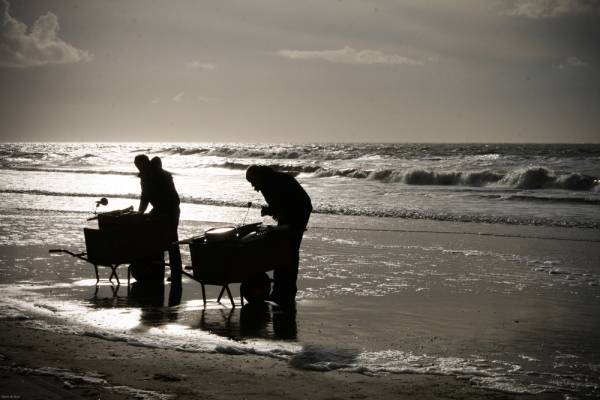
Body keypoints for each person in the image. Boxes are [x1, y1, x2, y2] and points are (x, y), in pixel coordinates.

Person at [246, 165, 312, 306]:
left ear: (257, 177)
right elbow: (280, 205)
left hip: (298, 212)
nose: (254, 187)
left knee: (286, 252)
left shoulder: (268, 184)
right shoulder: (272, 179)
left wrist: (269, 211)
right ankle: (284, 292)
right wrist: (272, 211)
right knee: (288, 251)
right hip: (300, 209)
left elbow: (281, 206)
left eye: (252, 182)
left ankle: (283, 293)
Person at [134, 154, 182, 282]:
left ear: (145, 163)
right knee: (168, 240)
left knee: (170, 241)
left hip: (168, 209)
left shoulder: (150, 176)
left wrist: (140, 213)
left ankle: (171, 272)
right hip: (166, 208)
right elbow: (147, 197)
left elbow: (145, 197)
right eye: (137, 166)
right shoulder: (157, 172)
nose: (139, 169)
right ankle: (164, 270)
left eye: (139, 166)